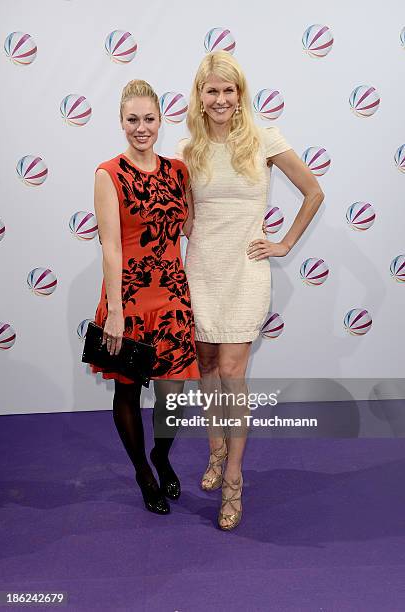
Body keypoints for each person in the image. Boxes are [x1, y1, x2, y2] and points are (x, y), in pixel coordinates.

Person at [176, 51, 324, 530]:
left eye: (228, 89)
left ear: (240, 94)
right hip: (200, 269)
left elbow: (314, 191)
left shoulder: (264, 138)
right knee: (208, 369)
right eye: (211, 90)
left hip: (244, 270)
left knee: (234, 373)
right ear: (200, 96)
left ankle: (234, 478)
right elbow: (186, 217)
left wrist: (283, 243)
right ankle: (215, 450)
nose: (219, 99)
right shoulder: (187, 149)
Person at [91, 79, 200, 515]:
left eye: (149, 119)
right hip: (129, 301)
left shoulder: (179, 171)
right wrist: (114, 313)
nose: (141, 127)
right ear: (121, 122)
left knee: (172, 396)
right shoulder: (108, 173)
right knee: (128, 394)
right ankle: (142, 472)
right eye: (133, 119)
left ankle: (162, 455)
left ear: (161, 120)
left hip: (172, 297)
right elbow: (111, 246)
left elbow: (191, 227)